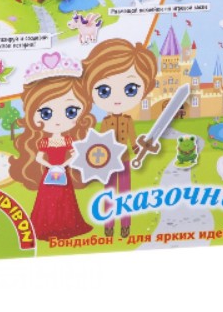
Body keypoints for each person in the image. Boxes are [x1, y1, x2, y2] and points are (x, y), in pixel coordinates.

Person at [9, 52, 94, 241]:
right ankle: (46, 227)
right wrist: (51, 166)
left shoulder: (68, 140)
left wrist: (64, 165)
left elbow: (74, 154)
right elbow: (39, 157)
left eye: (70, 111)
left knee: (65, 200)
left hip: (63, 174)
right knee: (48, 200)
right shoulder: (44, 142)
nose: (57, 121)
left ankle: (66, 225)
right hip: (50, 176)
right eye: (46, 113)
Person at [83, 39, 157, 238]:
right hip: (106, 162)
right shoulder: (105, 122)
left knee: (124, 193)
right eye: (104, 91)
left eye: (130, 90)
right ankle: (108, 224)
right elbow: (99, 142)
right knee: (108, 192)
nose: (117, 99)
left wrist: (141, 149)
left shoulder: (128, 121)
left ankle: (125, 225)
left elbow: (133, 140)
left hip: (124, 161)